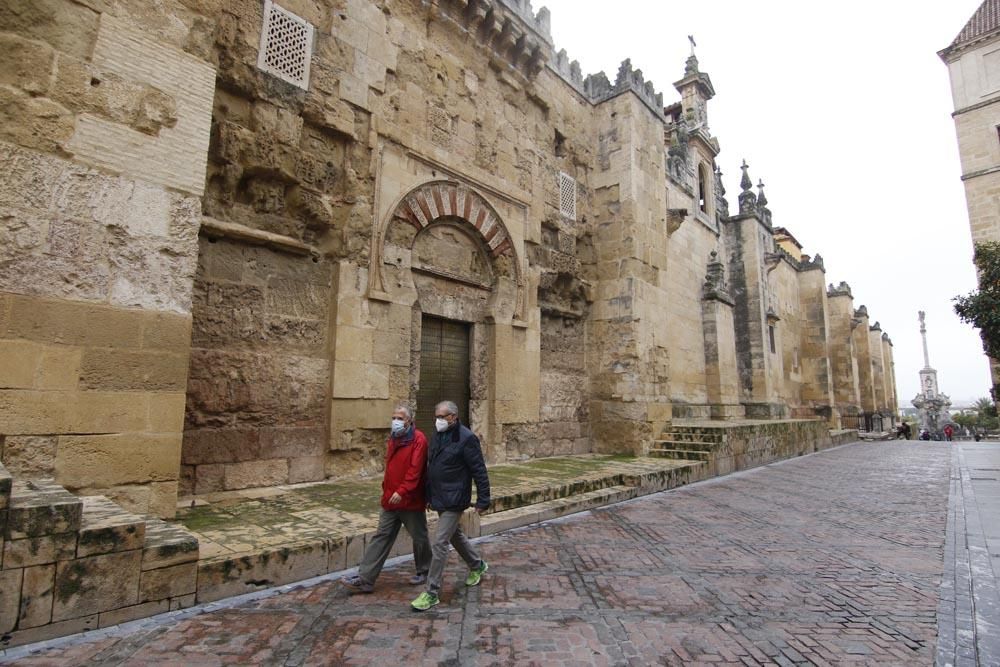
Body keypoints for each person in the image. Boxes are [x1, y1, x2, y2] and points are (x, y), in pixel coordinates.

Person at [341, 404, 431, 594]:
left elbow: (415, 471)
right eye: (394, 418)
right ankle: (366, 579)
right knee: (381, 536)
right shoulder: (394, 438)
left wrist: (403, 491)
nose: (395, 422)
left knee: (419, 537)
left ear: (409, 420)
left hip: (409, 499)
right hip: (390, 499)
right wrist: (388, 492)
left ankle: (425, 570)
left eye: (399, 418)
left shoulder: (419, 440)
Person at [410, 401, 491, 612]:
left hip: (455, 498)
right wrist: (427, 495)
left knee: (439, 542)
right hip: (439, 497)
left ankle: (431, 592)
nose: (438, 420)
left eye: (442, 416)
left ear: (453, 417)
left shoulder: (467, 438)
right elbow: (432, 467)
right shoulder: (437, 436)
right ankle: (477, 565)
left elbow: (479, 471)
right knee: (455, 535)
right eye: (436, 416)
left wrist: (483, 500)